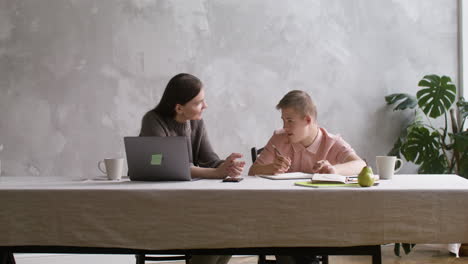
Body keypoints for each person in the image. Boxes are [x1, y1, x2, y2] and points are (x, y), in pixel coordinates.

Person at [248, 90, 365, 264]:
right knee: (280, 230)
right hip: (282, 215)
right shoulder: (279, 138)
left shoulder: (332, 142)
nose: (285, 127)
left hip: (318, 218)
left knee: (287, 238)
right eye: (283, 120)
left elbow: (361, 165)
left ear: (308, 120)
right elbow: (253, 170)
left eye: (290, 121)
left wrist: (334, 169)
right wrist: (271, 167)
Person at [140, 73, 245, 264]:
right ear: (179, 108)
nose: (205, 106)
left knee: (231, 227)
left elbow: (210, 160)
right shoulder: (153, 121)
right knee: (215, 232)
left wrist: (226, 165)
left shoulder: (197, 122)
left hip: (192, 202)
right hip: (160, 204)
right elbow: (166, 165)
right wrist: (216, 172)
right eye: (199, 102)